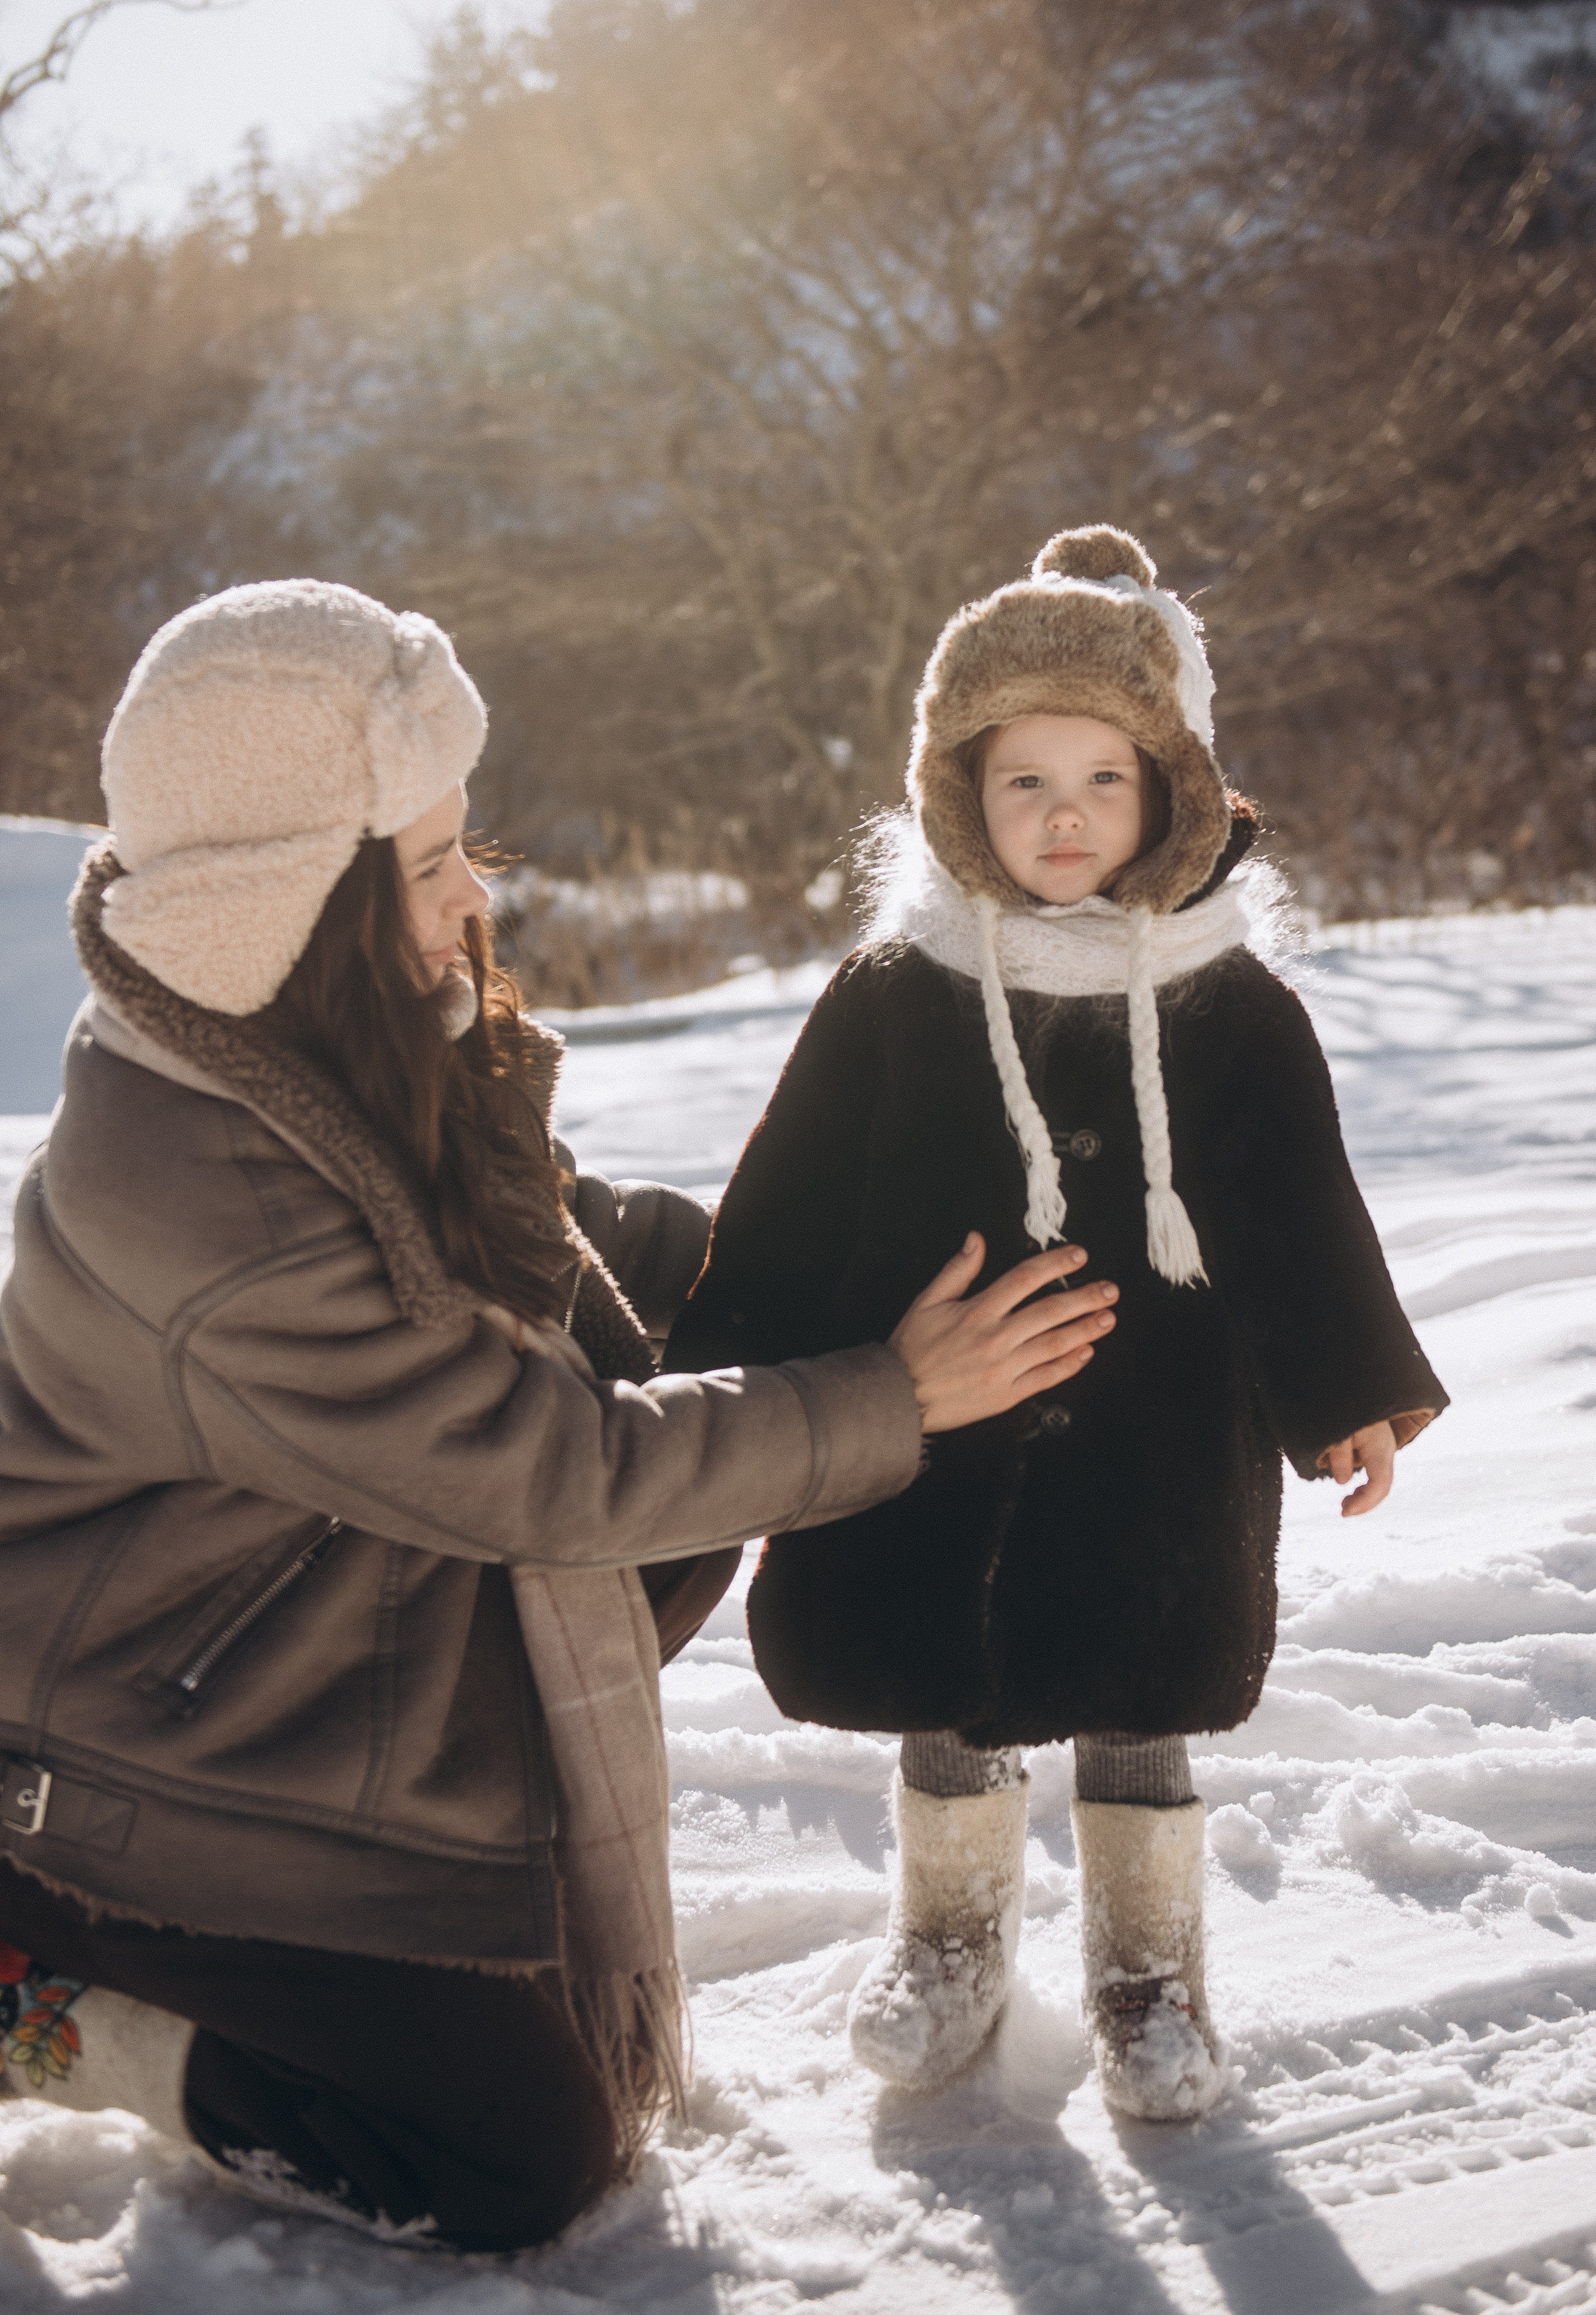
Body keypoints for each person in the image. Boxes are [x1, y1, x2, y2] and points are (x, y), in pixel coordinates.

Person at [0, 580, 1120, 2250]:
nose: (477, 892)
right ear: (289, 897)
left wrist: (844, 1260)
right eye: (427, 863)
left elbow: (577, 1255)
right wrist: (897, 1394)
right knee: (519, 2159)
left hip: (308, 1640)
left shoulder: (308, 1033)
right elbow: (555, 1475)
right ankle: (45, 1998)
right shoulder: (212, 1204)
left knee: (708, 1410)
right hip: (144, 1755)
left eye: (464, 842)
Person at [666, 525, 1449, 2120]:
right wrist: (721, 1374)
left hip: (1162, 1424)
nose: (1064, 813)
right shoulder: (897, 989)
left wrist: (1349, 1390)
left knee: (1141, 1682)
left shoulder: (1230, 1002)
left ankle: (1146, 1972)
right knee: (941, 1675)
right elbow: (791, 1194)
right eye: (1022, 780)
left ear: (1173, 790)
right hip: (929, 1412)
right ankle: (947, 1936)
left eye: (1103, 776)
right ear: (960, 792)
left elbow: (1297, 1211)